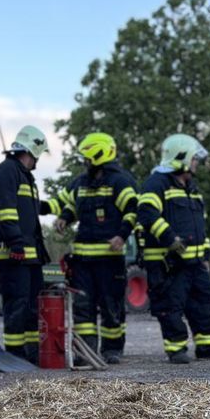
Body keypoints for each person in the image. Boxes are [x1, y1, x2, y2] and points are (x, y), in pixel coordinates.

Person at [136, 133, 210, 364]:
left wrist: (205, 255)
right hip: (168, 262)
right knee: (171, 305)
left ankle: (208, 346)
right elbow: (147, 213)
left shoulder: (192, 188)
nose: (196, 163)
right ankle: (176, 349)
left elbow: (201, 227)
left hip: (195, 263)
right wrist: (170, 238)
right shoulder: (156, 184)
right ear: (182, 159)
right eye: (194, 158)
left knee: (203, 303)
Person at [54, 132, 137, 364]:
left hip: (109, 259)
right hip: (82, 260)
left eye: (87, 158)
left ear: (98, 155)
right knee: (83, 308)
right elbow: (72, 205)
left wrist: (122, 236)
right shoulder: (81, 183)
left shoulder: (120, 181)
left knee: (111, 306)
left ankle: (112, 350)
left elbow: (132, 209)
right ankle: (86, 351)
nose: (84, 162)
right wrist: (64, 217)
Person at [0, 125, 59, 363]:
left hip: (30, 255)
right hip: (14, 255)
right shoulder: (7, 171)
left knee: (31, 305)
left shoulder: (23, 175)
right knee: (16, 305)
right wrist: (16, 243)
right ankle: (14, 353)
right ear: (34, 150)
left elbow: (31, 208)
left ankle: (31, 352)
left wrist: (57, 208)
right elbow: (6, 211)